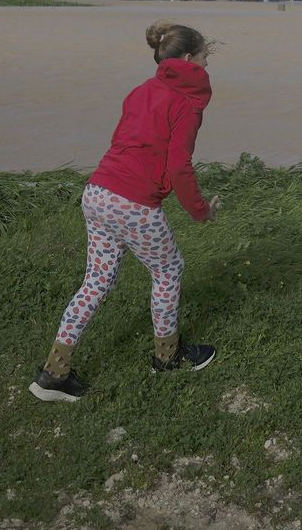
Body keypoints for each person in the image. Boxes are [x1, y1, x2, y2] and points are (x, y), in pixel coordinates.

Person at [29, 20, 221, 402]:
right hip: (133, 203)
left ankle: (53, 374)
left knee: (96, 281)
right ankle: (167, 359)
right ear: (187, 60)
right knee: (168, 270)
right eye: (204, 58)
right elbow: (178, 166)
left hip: (98, 192)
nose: (206, 66)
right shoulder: (186, 102)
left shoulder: (141, 90)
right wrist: (201, 211)